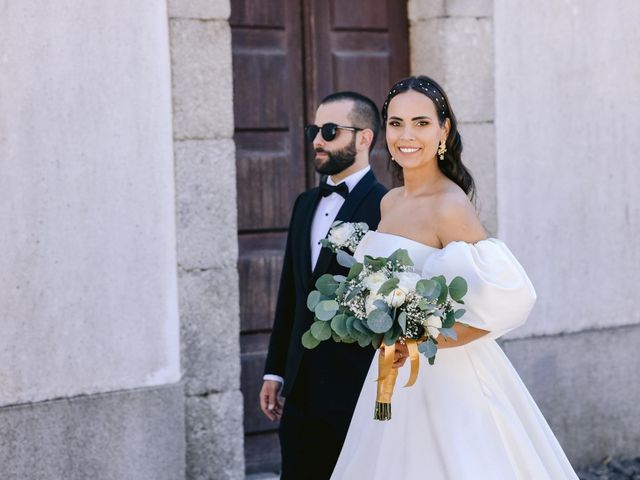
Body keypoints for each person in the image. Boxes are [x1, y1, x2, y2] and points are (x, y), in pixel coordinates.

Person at [330, 76, 578, 479]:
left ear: (444, 129)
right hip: (392, 375)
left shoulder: (450, 205)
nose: (406, 135)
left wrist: (421, 335)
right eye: (396, 123)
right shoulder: (390, 201)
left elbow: (504, 301)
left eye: (421, 123)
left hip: (448, 384)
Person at [260, 91, 388, 479]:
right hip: (300, 389)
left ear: (363, 139)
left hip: (357, 388)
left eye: (329, 131)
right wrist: (274, 372)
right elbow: (291, 293)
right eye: (314, 130)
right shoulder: (304, 203)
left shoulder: (388, 206)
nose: (317, 140)